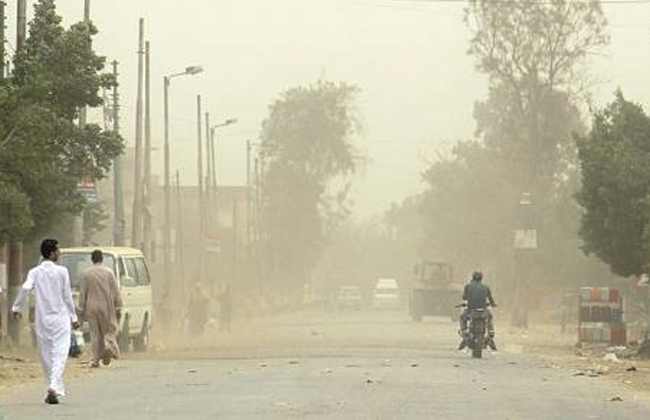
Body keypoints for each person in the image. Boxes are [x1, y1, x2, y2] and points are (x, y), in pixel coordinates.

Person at [12, 239, 78, 405]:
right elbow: (67, 296)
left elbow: (26, 288)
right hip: (60, 318)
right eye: (58, 250)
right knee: (60, 354)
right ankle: (53, 386)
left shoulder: (34, 272)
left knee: (46, 355)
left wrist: (17, 308)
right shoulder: (62, 271)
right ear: (51, 253)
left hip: (42, 320)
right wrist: (74, 317)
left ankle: (52, 386)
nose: (60, 253)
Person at [79, 250, 123, 368]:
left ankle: (95, 360)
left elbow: (83, 293)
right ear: (102, 259)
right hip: (106, 306)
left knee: (94, 334)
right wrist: (119, 305)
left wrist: (81, 308)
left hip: (91, 306)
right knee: (109, 330)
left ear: (92, 259)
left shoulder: (86, 273)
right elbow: (115, 290)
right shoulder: (109, 272)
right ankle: (108, 346)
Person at [459, 271, 497, 351]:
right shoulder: (486, 287)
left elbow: (464, 298)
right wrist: (493, 304)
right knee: (489, 317)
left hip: (471, 310)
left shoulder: (468, 286)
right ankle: (490, 333)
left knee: (462, 317)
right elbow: (490, 299)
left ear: (472, 277)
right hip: (483, 310)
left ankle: (464, 332)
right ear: (481, 278)